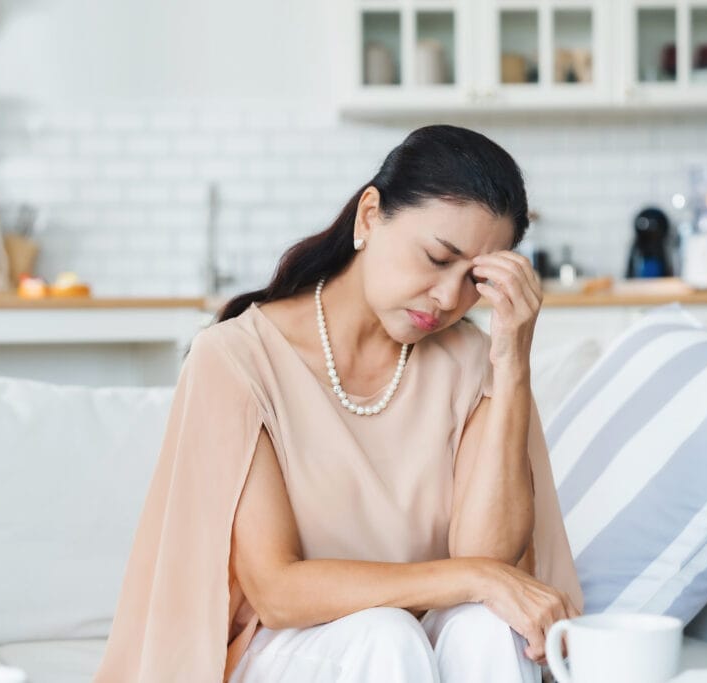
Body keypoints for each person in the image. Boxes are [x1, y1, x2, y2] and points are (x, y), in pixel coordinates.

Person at [92, 124, 582, 683]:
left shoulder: (473, 360)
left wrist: (513, 361)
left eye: (475, 279)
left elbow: (487, 555)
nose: (450, 298)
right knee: (383, 634)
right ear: (370, 216)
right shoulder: (237, 358)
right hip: (291, 646)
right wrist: (473, 579)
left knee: (489, 628)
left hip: (418, 640)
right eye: (436, 257)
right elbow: (276, 592)